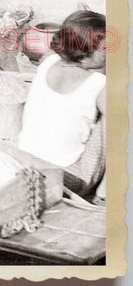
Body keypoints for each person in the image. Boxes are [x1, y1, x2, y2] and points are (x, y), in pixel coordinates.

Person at [18, 10, 106, 197]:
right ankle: (105, 190)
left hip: (26, 161)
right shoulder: (98, 84)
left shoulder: (49, 60)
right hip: (69, 176)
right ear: (83, 53)